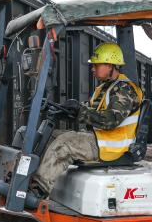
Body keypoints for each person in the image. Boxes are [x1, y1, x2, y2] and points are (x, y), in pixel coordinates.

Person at [33, 41, 144, 193]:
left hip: (113, 146)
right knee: (50, 136)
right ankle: (31, 179)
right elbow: (89, 111)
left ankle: (38, 191)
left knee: (65, 143)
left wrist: (80, 111)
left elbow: (110, 120)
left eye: (96, 65)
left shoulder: (125, 89)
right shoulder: (104, 88)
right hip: (100, 140)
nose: (92, 69)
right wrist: (65, 111)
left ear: (110, 65)